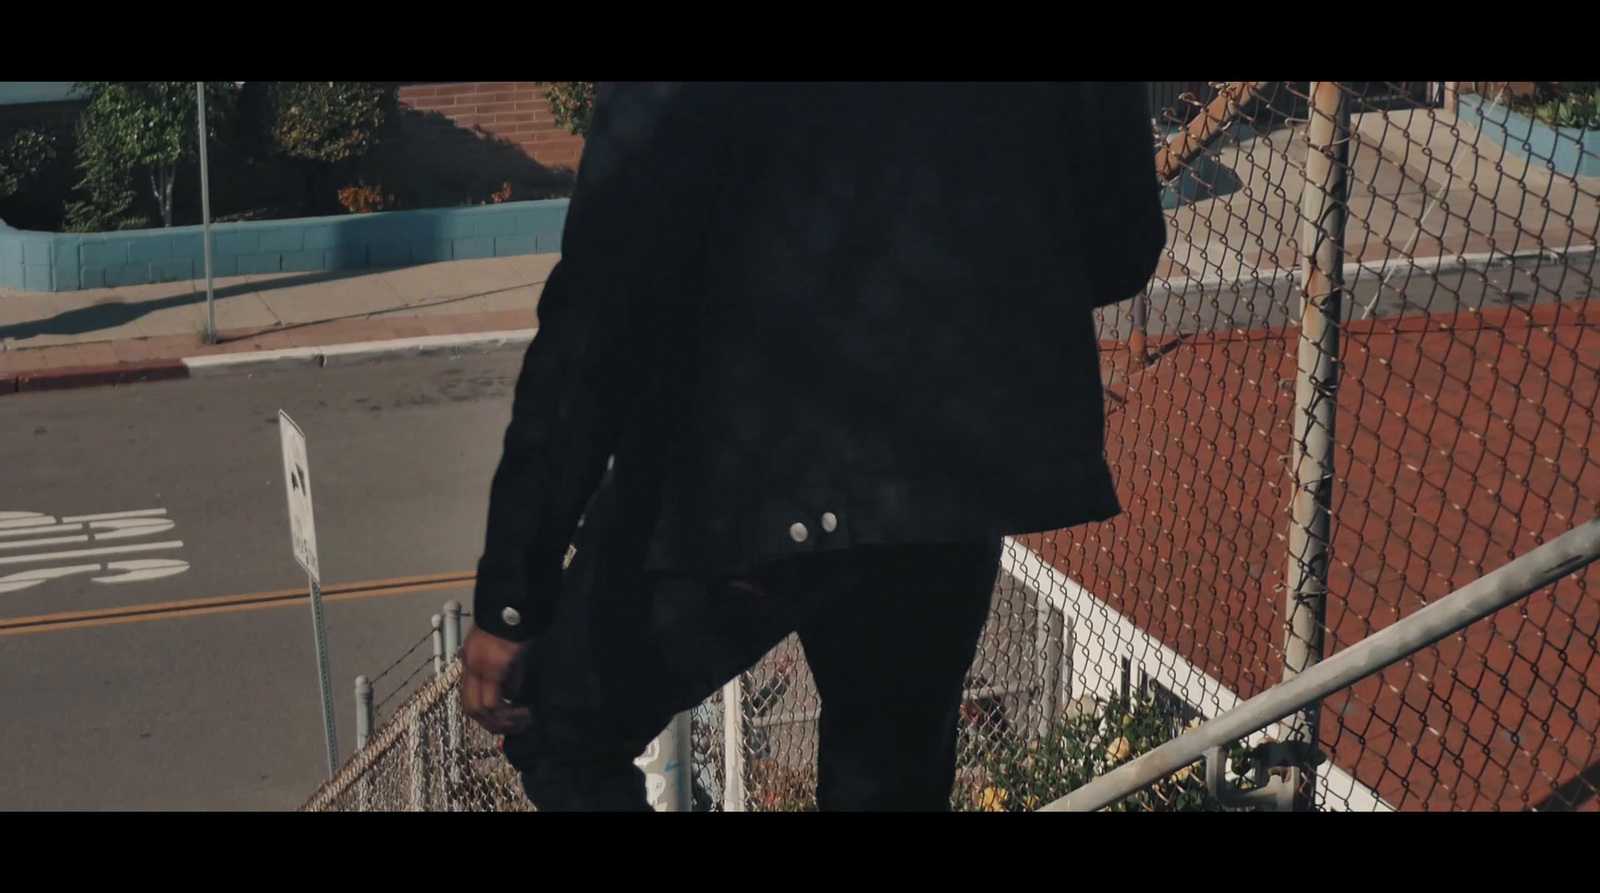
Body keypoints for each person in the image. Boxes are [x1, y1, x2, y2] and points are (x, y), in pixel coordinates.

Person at [460, 82, 1167, 811]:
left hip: (748, 461)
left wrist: (513, 596)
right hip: (943, 472)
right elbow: (1122, 245)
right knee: (889, 784)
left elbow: (598, 315)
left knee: (556, 725)